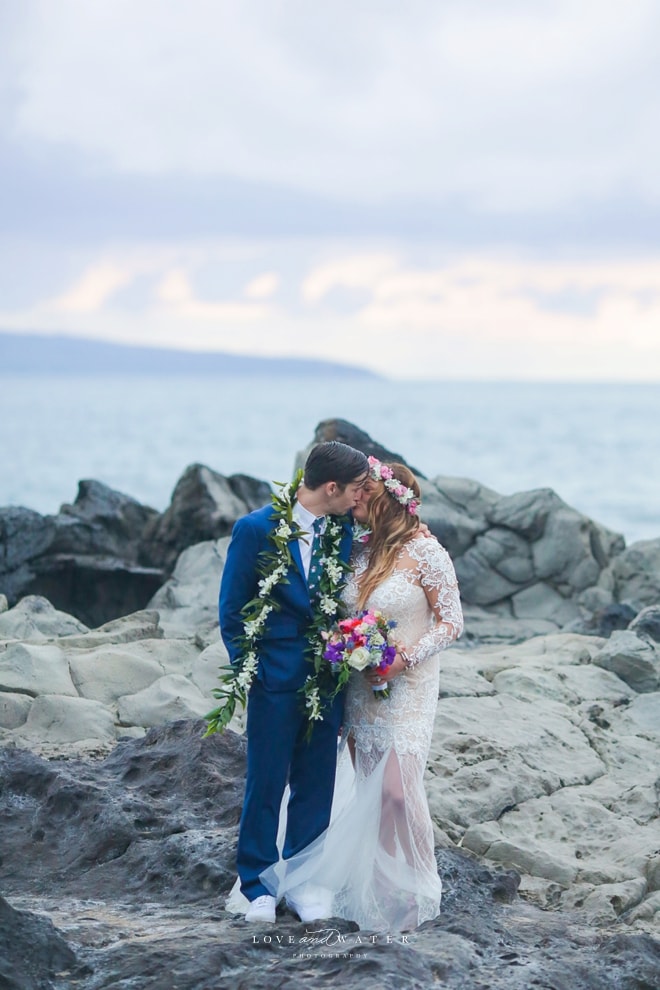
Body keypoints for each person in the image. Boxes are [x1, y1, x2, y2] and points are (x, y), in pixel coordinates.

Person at [261, 459, 463, 931]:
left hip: (408, 688)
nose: (354, 503)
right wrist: (344, 644)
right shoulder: (356, 551)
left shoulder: (427, 551)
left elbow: (451, 622)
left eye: (364, 496)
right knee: (370, 792)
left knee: (396, 792)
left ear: (387, 499)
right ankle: (378, 900)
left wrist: (404, 657)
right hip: (359, 688)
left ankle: (410, 897)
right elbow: (334, 610)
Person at [219, 440, 369, 923]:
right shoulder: (254, 529)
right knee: (265, 782)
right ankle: (257, 884)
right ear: (331, 487)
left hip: (328, 678)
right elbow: (231, 611)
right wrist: (254, 669)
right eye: (355, 490)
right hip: (274, 679)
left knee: (316, 782)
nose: (358, 499)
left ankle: (303, 880)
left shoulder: (342, 529)